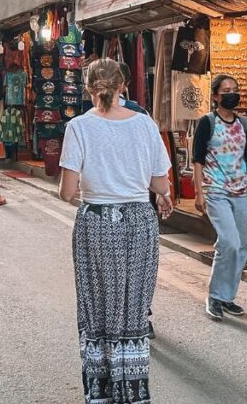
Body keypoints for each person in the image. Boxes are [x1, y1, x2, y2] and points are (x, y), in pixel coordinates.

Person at [59, 59, 173, 403]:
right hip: (140, 221)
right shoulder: (145, 125)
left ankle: (102, 392)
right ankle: (133, 391)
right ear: (124, 86)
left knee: (98, 307)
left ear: (89, 88)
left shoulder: (78, 127)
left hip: (96, 222)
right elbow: (160, 183)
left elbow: (67, 191)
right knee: (133, 307)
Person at [192, 74, 247, 321]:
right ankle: (214, 295)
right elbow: (198, 160)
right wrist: (199, 193)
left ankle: (226, 297)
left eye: (235, 89)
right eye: (226, 90)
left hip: (241, 191)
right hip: (216, 190)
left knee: (243, 246)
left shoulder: (244, 124)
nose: (232, 93)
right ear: (215, 96)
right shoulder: (207, 123)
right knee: (229, 243)